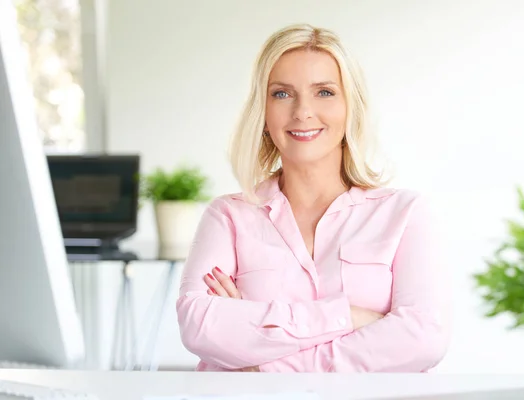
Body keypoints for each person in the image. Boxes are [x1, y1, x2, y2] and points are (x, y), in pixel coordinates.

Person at [176, 23, 451, 373]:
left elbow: (423, 339)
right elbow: (199, 326)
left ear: (351, 106)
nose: (302, 112)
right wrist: (345, 316)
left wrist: (265, 365)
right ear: (262, 113)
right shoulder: (228, 216)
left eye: (324, 92)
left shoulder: (405, 213)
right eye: (281, 94)